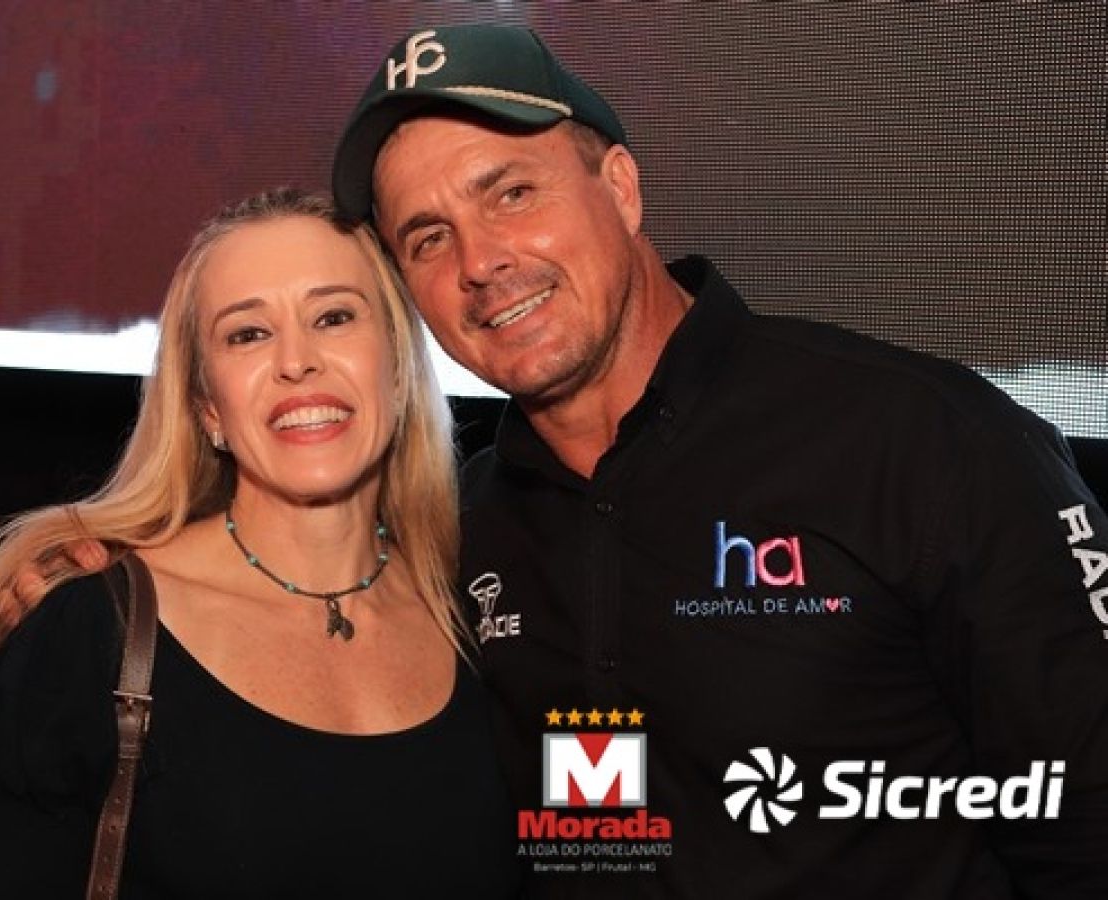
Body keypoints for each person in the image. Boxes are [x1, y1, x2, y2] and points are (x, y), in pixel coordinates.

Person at [325, 24, 1108, 899]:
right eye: (428, 238)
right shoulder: (462, 530)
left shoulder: (926, 439)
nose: (480, 261)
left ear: (620, 188)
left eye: (512, 193)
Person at [0, 189, 520, 898]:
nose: (297, 361)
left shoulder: (482, 602)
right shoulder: (91, 628)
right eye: (248, 334)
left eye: (334, 317)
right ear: (207, 408)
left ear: (399, 371)